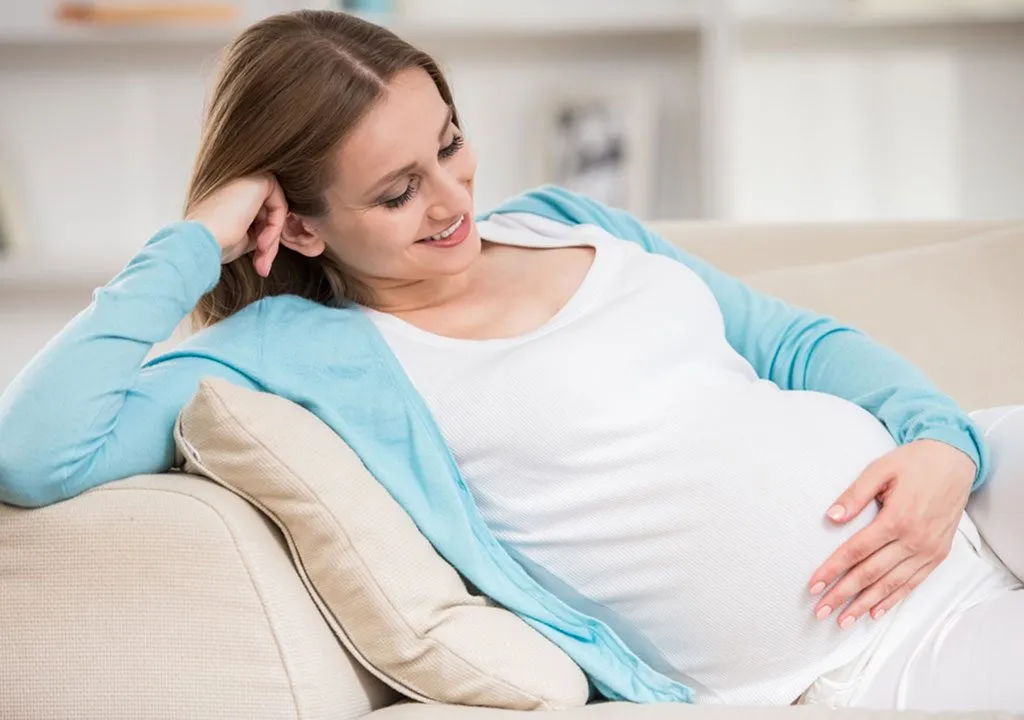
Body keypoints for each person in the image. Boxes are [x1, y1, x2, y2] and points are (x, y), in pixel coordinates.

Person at [0, 9, 1020, 712]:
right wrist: (194, 239)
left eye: (449, 143)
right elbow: (35, 452)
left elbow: (795, 342)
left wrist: (941, 448)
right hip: (868, 642)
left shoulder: (566, 221)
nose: (451, 200)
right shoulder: (288, 356)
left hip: (965, 487)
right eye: (396, 192)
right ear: (302, 227)